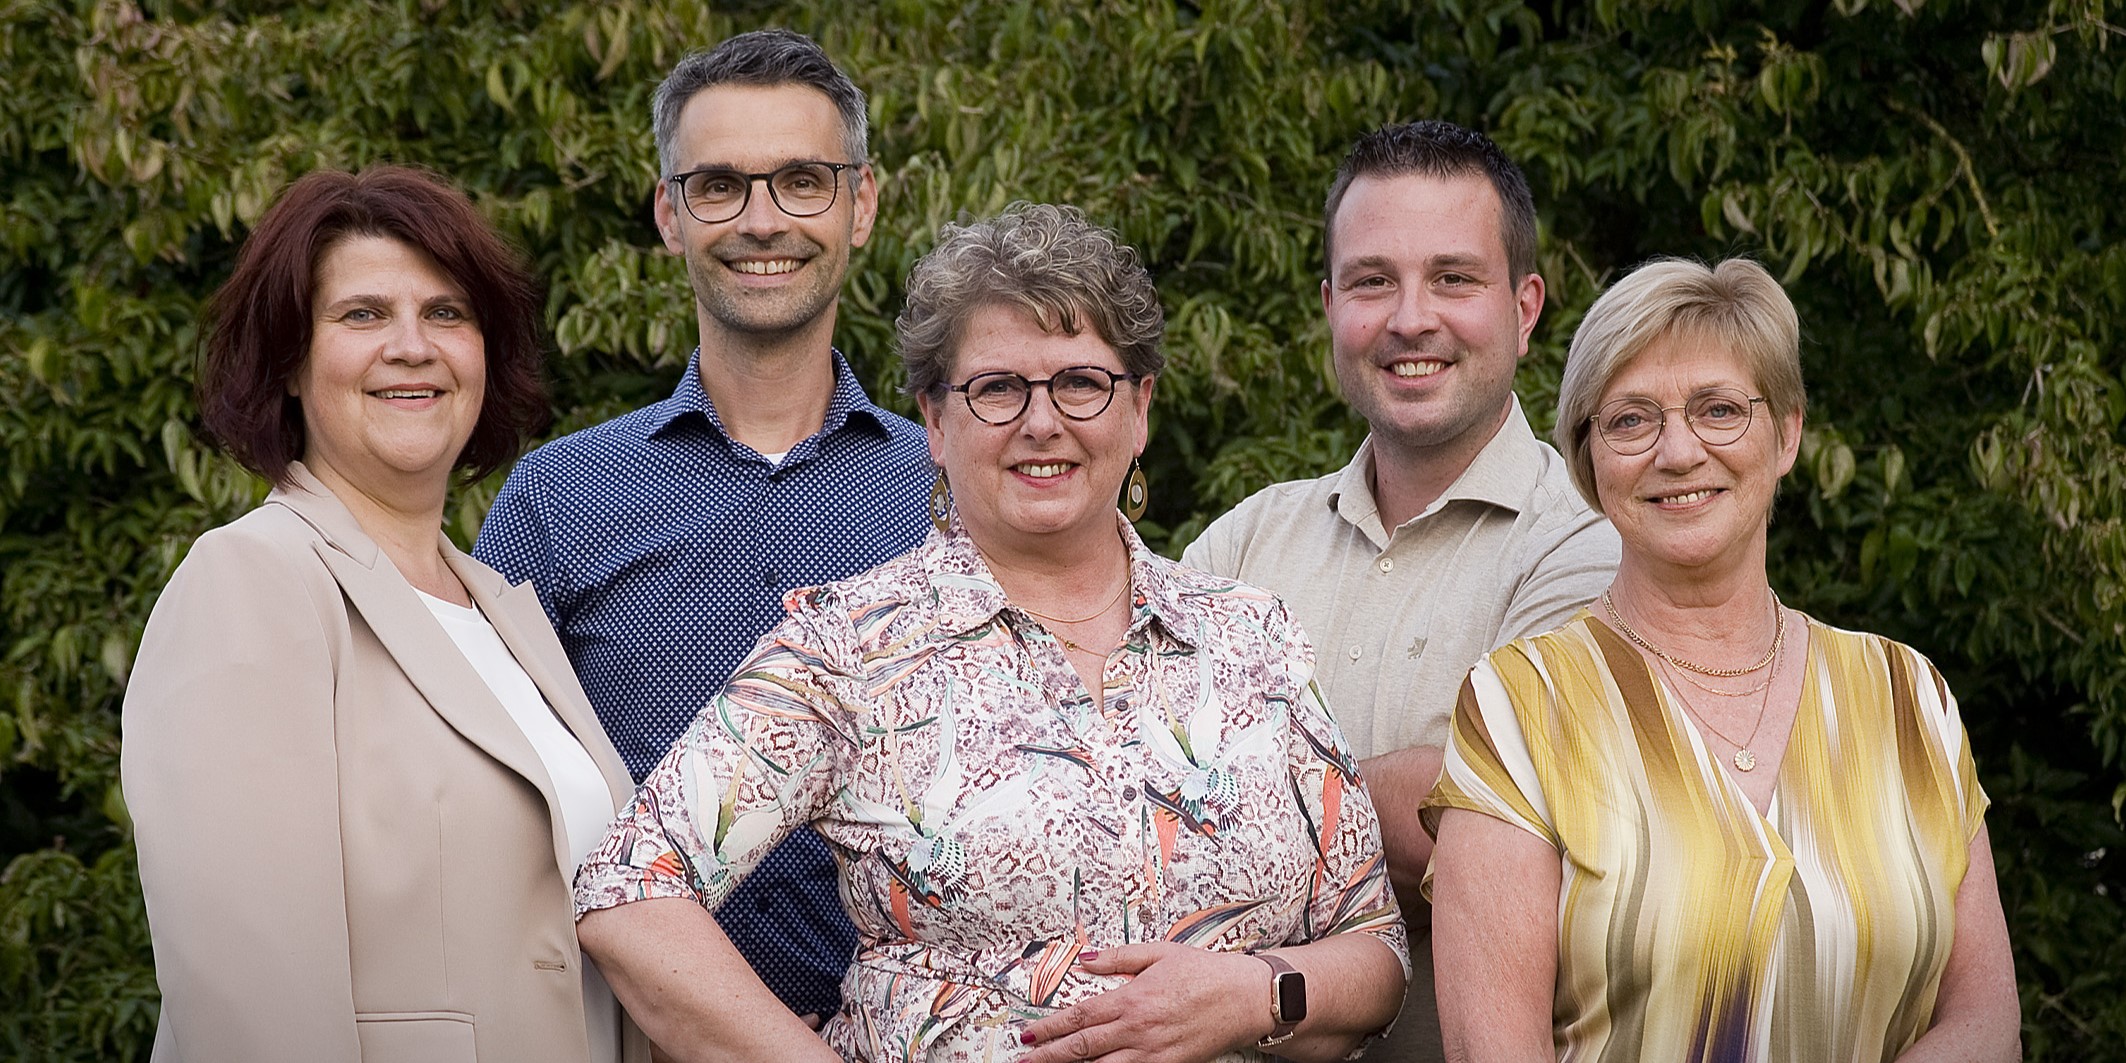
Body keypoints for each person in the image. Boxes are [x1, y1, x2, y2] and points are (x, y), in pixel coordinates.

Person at [570, 203, 1409, 1063]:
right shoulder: (849, 650)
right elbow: (628, 890)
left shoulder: (1250, 635)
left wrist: (1257, 992)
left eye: (1081, 382)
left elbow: (1376, 946)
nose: (1042, 422)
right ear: (935, 422)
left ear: (1140, 409)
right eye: (998, 388)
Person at [1422, 257, 2021, 1061]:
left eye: (1719, 409)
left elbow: (1987, 1023)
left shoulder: (1909, 696)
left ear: (1787, 433)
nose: (1679, 451)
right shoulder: (1519, 708)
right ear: (1587, 460)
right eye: (1631, 420)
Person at [122, 166, 643, 1062]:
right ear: (289, 362)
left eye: (447, 313)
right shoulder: (249, 581)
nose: (412, 345)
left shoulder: (502, 611)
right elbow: (251, 1000)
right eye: (363, 315)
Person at [474, 29, 931, 1023]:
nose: (761, 220)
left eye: (802, 181)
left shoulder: (947, 491)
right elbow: (477, 798)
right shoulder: (557, 499)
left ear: (861, 205)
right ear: (668, 215)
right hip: (626, 1035)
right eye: (718, 185)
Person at [1180, 118, 1618, 1060]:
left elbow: (1493, 830)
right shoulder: (1243, 540)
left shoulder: (1592, 549)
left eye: (1454, 278)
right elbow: (1117, 790)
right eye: (1374, 280)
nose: (1411, 317)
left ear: (1526, 305)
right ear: (1330, 302)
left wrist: (1219, 796)